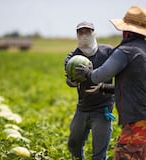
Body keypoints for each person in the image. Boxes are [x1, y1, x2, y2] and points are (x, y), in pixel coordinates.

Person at [75, 6, 146, 160]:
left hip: (138, 120)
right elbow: (134, 87)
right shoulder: (143, 50)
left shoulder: (125, 51)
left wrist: (87, 73)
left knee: (125, 154)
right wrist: (104, 88)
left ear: (126, 31)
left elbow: (99, 75)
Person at [64, 21, 115, 160]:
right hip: (83, 107)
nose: (85, 35)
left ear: (94, 33)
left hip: (103, 108)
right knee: (74, 144)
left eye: (88, 31)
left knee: (99, 152)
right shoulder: (72, 57)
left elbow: (120, 74)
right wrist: (73, 81)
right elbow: (69, 81)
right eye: (81, 32)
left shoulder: (108, 52)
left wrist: (103, 86)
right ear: (77, 35)